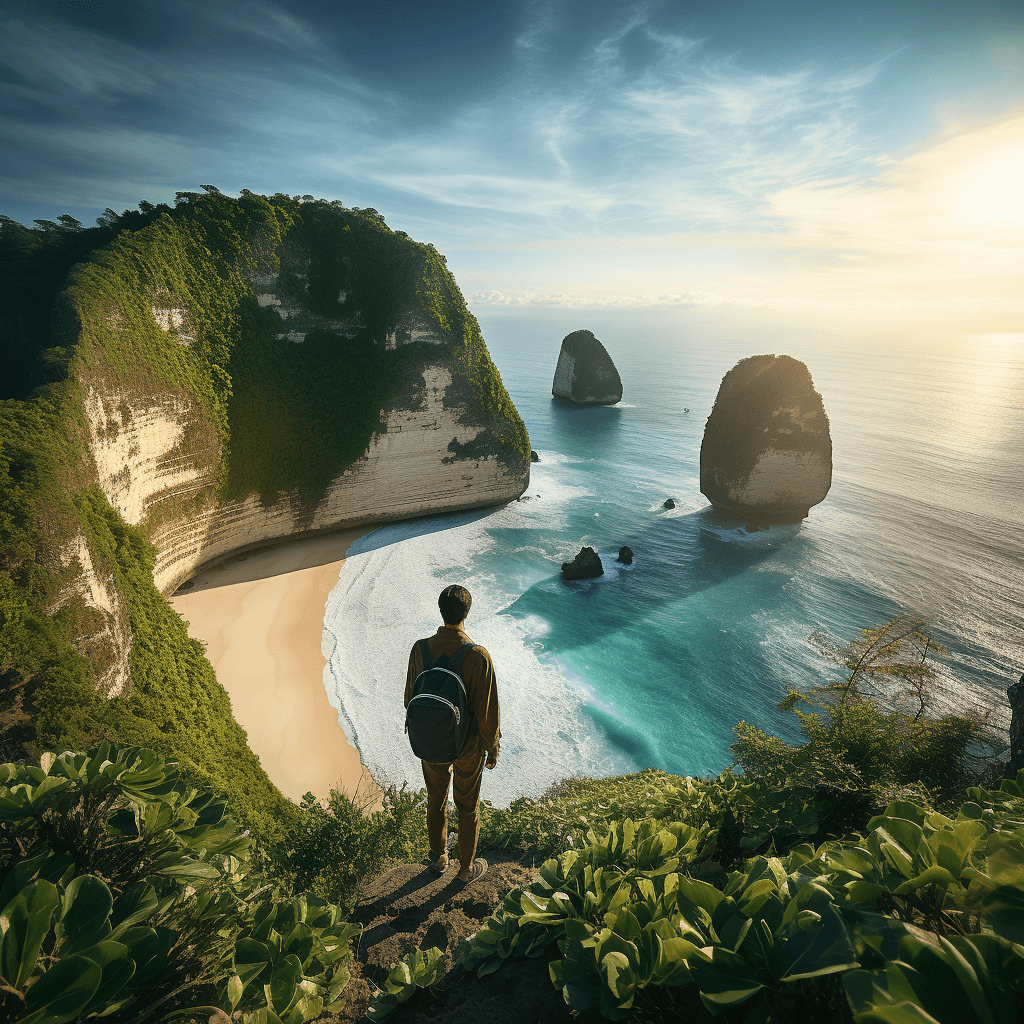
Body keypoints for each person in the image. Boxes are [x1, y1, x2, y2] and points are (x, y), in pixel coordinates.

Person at [405, 584, 500, 884]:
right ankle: (466, 869)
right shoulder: (478, 656)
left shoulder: (420, 648)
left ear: (441, 610)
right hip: (468, 745)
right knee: (467, 806)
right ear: (467, 613)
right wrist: (492, 747)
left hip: (431, 737)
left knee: (436, 797)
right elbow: (487, 712)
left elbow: (410, 698)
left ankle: (438, 857)